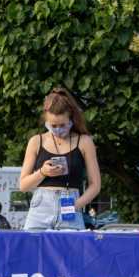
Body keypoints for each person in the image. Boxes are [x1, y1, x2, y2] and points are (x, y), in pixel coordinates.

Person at [19, 87, 101, 230]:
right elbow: (24, 186)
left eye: (63, 125)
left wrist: (77, 205)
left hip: (71, 204)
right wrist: (43, 172)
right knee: (33, 251)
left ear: (71, 117)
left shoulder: (84, 141)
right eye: (53, 125)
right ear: (46, 120)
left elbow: (95, 184)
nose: (58, 129)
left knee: (73, 251)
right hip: (41, 208)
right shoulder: (36, 141)